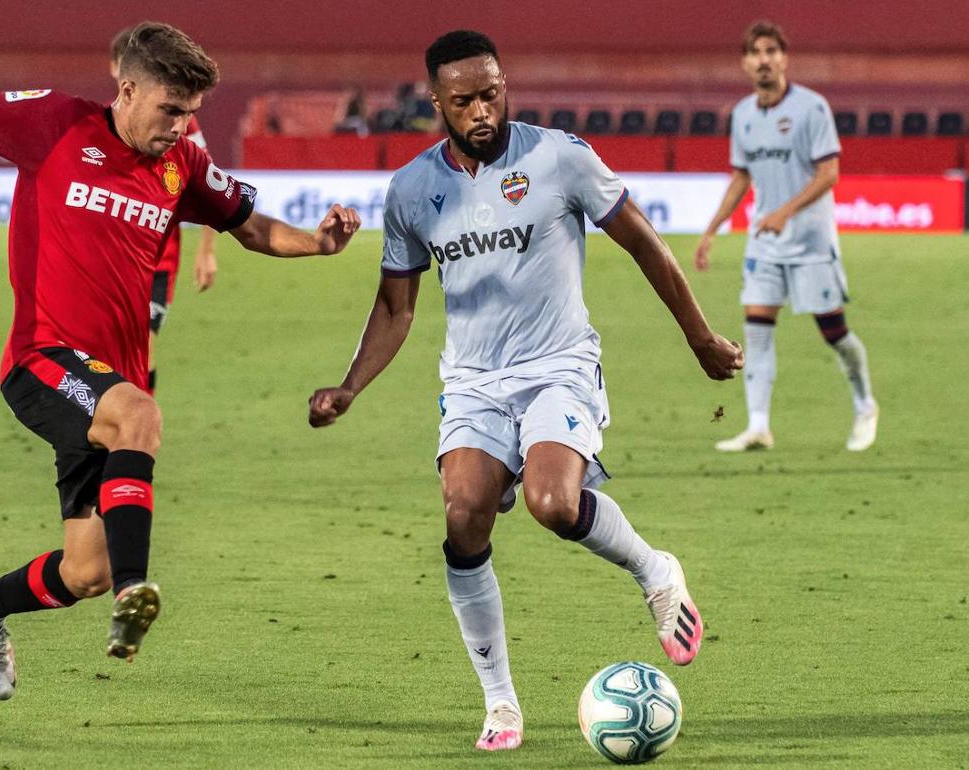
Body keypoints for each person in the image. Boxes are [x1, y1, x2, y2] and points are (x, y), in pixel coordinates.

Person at [0, 22, 360, 701]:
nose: (181, 126)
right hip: (42, 359)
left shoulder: (182, 165)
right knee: (140, 418)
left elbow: (252, 228)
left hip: (105, 384)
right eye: (170, 109)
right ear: (127, 90)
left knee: (83, 570)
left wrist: (318, 244)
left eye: (191, 114)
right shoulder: (54, 122)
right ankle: (137, 594)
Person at [307, 30, 741, 752]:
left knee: (551, 502)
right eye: (463, 100)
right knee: (463, 515)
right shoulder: (413, 190)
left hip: (559, 365)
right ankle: (502, 703)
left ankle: (655, 570)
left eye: (491, 93)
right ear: (437, 104)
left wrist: (698, 338)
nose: (481, 110)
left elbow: (642, 242)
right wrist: (351, 386)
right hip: (474, 382)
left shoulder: (558, 156)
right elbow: (395, 306)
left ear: (505, 85)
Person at [695, 20, 878, 452]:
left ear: (784, 59)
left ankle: (865, 404)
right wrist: (711, 229)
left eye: (771, 52)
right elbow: (741, 177)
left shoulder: (811, 108)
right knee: (756, 328)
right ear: (744, 63)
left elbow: (829, 173)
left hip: (811, 242)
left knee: (833, 332)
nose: (764, 60)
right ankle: (758, 425)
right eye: (756, 53)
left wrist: (784, 211)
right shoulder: (741, 115)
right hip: (766, 243)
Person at [111, 26, 217, 393]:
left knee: (144, 339)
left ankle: (140, 421)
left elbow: (209, 186)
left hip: (160, 257)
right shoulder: (105, 126)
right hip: (116, 255)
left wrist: (206, 251)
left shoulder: (179, 123)